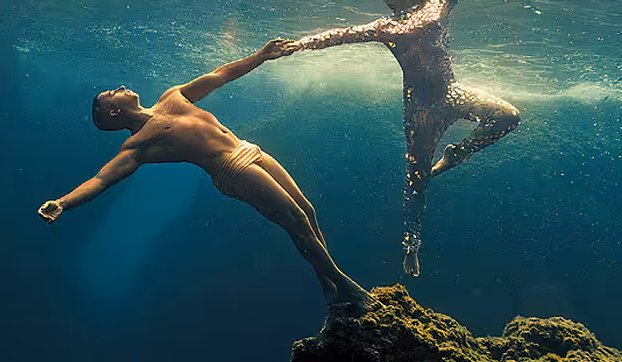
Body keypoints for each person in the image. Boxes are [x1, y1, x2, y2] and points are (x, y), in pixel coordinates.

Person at [37, 39, 374, 313]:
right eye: (114, 92)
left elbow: (221, 74)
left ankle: (329, 290)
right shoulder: (137, 145)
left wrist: (262, 56)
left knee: (307, 212)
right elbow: (101, 180)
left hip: (247, 148)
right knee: (296, 221)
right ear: (114, 111)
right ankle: (344, 284)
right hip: (231, 169)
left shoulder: (172, 97)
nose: (121, 86)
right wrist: (63, 203)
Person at [289, 0, 542, 277]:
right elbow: (339, 35)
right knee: (417, 179)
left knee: (509, 116)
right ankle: (411, 247)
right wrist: (298, 45)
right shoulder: (383, 27)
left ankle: (458, 153)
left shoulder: (439, 2)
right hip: (420, 110)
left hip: (452, 93)